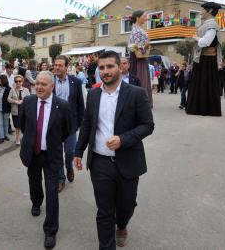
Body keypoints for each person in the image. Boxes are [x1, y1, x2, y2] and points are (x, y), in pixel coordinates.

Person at [74, 51, 154, 249]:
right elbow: (86, 124)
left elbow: (147, 125)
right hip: (100, 162)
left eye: (110, 66)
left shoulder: (136, 93)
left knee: (126, 206)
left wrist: (123, 139)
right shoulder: (93, 94)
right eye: (101, 67)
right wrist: (78, 151)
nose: (105, 71)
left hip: (128, 160)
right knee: (104, 210)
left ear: (120, 67)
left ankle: (122, 225)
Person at [19, 71, 71, 250]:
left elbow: (66, 130)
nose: (39, 87)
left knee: (52, 192)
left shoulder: (62, 106)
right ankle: (36, 202)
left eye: (43, 84)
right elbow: (24, 126)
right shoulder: (28, 102)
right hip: (33, 154)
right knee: (34, 182)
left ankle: (50, 230)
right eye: (37, 84)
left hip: (52, 156)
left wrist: (53, 142)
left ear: (52, 86)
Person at [53, 55, 84, 192]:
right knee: (57, 153)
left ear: (66, 67)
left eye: (60, 65)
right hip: (54, 124)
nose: (57, 67)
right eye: (56, 65)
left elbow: (80, 104)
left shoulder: (75, 82)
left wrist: (81, 123)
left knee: (70, 151)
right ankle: (60, 178)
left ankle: (69, 167)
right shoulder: (50, 81)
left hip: (71, 123)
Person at [186, 2, 223, 116]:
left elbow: (205, 42)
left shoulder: (212, 25)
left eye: (203, 10)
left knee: (206, 84)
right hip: (201, 59)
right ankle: (197, 108)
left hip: (208, 61)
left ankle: (206, 109)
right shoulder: (205, 24)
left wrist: (196, 37)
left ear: (210, 11)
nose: (201, 12)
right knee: (200, 84)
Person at [128, 10, 153, 106]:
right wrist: (145, 47)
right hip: (138, 56)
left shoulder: (138, 29)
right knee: (140, 77)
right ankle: (141, 101)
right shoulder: (137, 30)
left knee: (142, 77)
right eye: (144, 16)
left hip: (141, 55)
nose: (145, 17)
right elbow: (135, 45)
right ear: (138, 18)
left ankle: (142, 100)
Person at [7, 75, 30, 146]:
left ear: (22, 82)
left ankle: (25, 138)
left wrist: (23, 101)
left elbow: (29, 99)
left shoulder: (26, 90)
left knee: (24, 125)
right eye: (16, 81)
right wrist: (15, 101)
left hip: (24, 111)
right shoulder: (12, 89)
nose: (18, 83)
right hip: (15, 111)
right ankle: (17, 139)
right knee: (17, 126)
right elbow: (8, 99)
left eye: (20, 81)